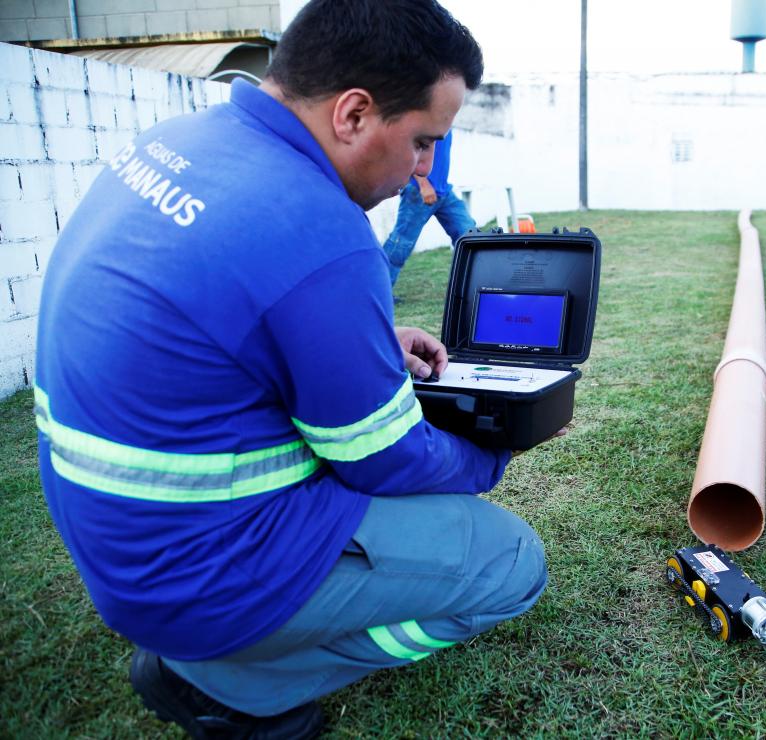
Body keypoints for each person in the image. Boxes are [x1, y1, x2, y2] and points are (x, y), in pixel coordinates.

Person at [33, 1, 549, 738]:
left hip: (118, 545)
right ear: (354, 114)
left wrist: (358, 339)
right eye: (424, 142)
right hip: (198, 574)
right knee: (512, 563)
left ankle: (214, 653)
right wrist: (494, 452)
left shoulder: (177, 141)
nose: (422, 171)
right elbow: (388, 462)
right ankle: (237, 685)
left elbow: (229, 317)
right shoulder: (319, 231)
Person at [382, 128, 476, 285]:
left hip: (444, 192)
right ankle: (379, 288)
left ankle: (472, 285)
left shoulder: (445, 121)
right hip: (419, 191)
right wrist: (423, 184)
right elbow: (407, 150)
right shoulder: (424, 117)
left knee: (469, 235)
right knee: (402, 243)